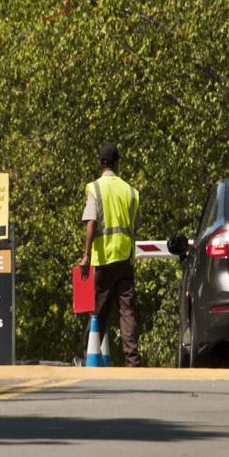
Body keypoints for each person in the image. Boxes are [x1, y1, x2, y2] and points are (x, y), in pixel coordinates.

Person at [79, 143, 142, 367]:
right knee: (127, 312)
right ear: (117, 163)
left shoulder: (94, 188)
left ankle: (89, 355)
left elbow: (91, 223)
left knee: (97, 312)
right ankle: (132, 360)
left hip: (103, 260)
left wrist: (86, 255)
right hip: (124, 260)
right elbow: (136, 224)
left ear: (101, 164)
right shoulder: (131, 191)